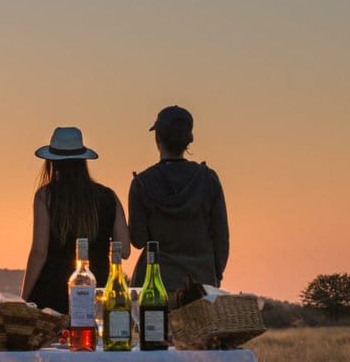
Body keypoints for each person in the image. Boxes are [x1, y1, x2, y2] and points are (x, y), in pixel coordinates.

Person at [20, 126, 130, 311]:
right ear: (83, 160)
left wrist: (24, 300)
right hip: (98, 292)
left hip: (52, 296)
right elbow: (125, 250)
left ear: (51, 162)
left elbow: (39, 253)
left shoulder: (45, 196)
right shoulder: (108, 197)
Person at [128, 105, 229, 293]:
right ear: (188, 141)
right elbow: (221, 238)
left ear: (157, 139)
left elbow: (138, 240)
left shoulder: (141, 183)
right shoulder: (208, 179)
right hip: (201, 285)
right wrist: (214, 277)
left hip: (153, 286)